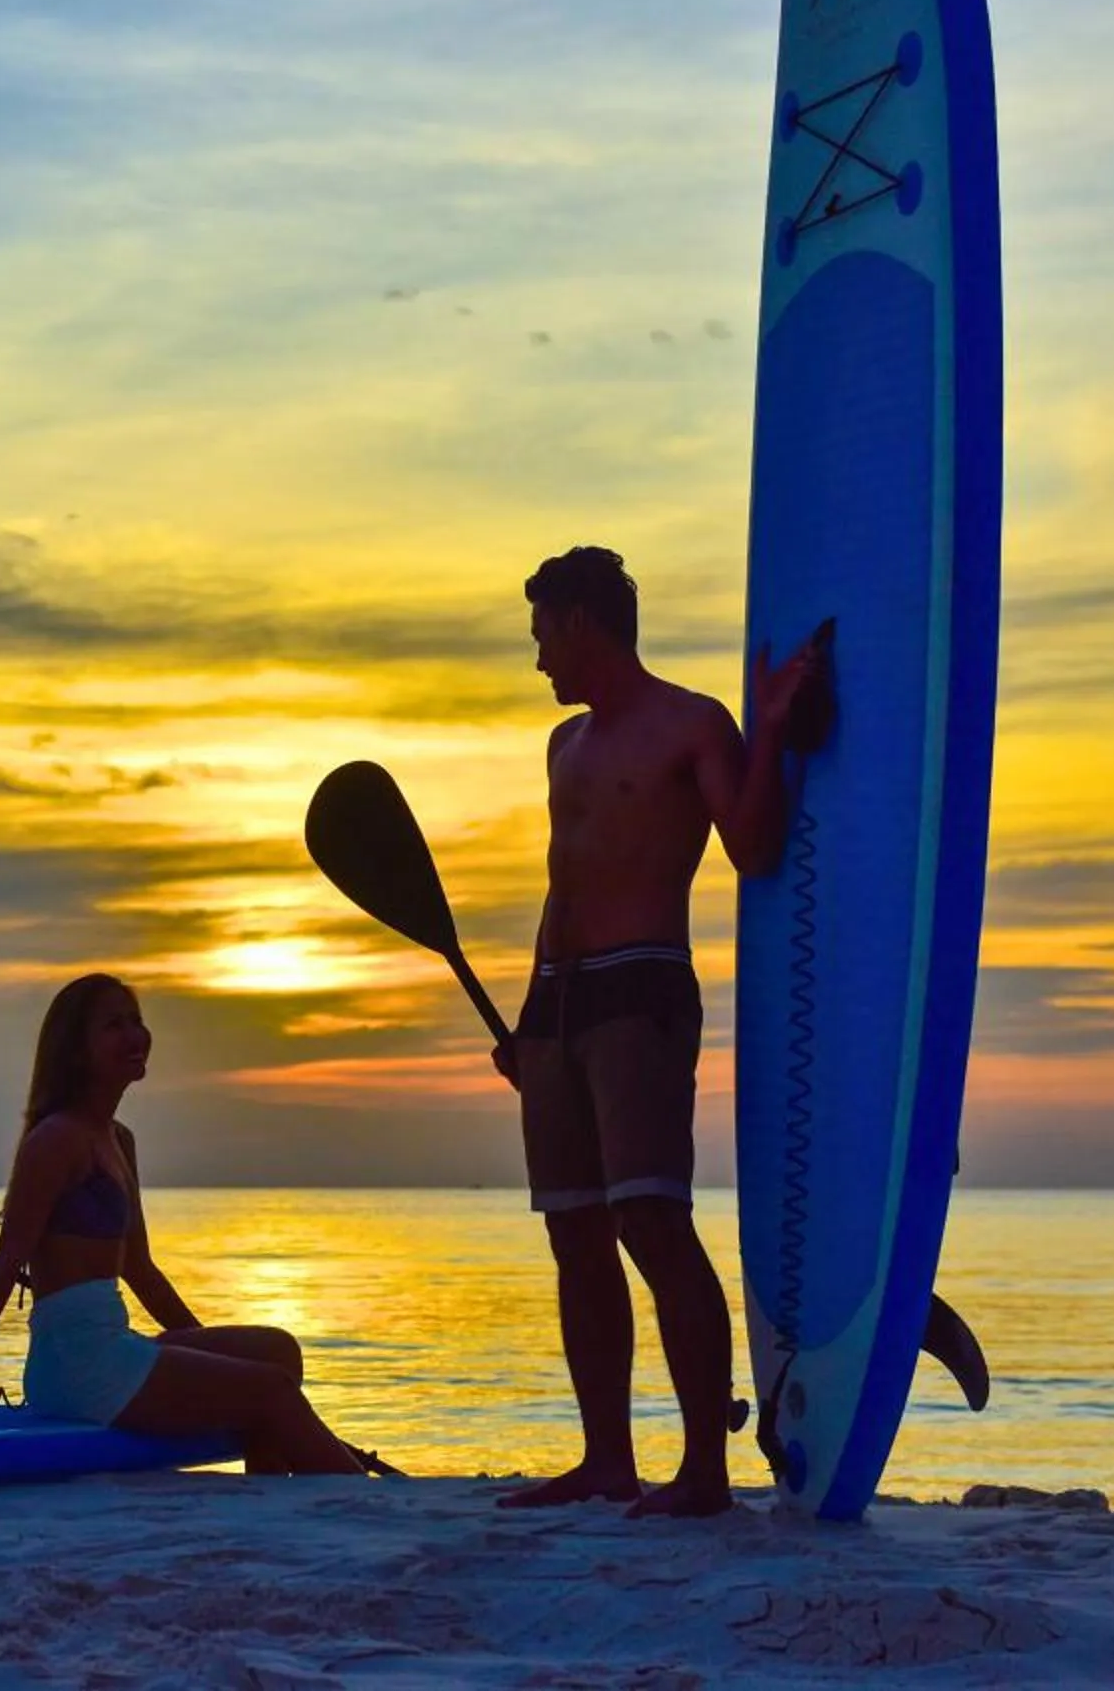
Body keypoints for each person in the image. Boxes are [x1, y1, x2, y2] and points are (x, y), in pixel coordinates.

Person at [493, 546, 822, 1519]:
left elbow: (753, 847)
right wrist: (527, 1019)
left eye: (545, 633)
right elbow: (561, 890)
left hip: (642, 990)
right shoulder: (565, 747)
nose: (540, 657)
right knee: (574, 1230)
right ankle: (605, 1459)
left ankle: (703, 1471)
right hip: (559, 999)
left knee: (650, 1220)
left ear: (586, 623)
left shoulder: (690, 723)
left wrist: (768, 734)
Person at [0, 972, 374, 1474]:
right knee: (271, 1390)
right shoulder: (55, 1141)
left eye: (137, 1021)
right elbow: (7, 1264)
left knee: (277, 1353)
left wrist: (220, 1363)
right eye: (114, 1025)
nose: (135, 1036)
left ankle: (267, 1505)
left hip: (114, 1343)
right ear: (76, 1049)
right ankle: (366, 1503)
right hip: (76, 1363)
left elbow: (141, 1269)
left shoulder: (118, 1140)